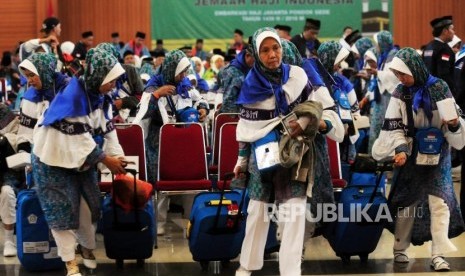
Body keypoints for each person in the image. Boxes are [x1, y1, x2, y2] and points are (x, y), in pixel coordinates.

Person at [234, 27, 341, 276]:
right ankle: (247, 267)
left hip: (295, 153)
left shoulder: (299, 76)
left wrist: (305, 123)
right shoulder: (250, 85)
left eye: (276, 48)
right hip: (262, 155)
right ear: (256, 54)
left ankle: (291, 271)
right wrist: (241, 159)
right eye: (265, 50)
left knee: (294, 212)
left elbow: (318, 108)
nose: (273, 55)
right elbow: (247, 128)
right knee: (257, 211)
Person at [32, 48, 127, 276]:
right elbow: (79, 141)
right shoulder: (73, 98)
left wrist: (120, 159)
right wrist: (106, 160)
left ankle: (87, 247)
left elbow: (108, 130)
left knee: (88, 207)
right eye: (111, 80)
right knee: (62, 211)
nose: (114, 84)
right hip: (52, 161)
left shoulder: (100, 96)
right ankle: (70, 262)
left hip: (81, 162)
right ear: (98, 77)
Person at [372, 47, 465, 272]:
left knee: (440, 203)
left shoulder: (440, 88)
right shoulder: (400, 92)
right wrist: (400, 149)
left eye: (403, 74)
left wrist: (453, 125)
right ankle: (400, 249)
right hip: (410, 155)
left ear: (415, 68)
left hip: (437, 155)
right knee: (407, 202)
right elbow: (393, 125)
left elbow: (456, 121)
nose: (400, 78)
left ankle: (438, 254)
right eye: (397, 74)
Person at [133, 50, 208, 235]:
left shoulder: (185, 85)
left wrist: (202, 109)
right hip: (158, 140)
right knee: (161, 177)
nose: (183, 76)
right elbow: (143, 113)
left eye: (184, 71)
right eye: (180, 72)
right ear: (170, 69)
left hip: (183, 139)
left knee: (189, 175)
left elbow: (201, 100)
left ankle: (191, 218)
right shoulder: (153, 86)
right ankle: (159, 222)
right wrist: (157, 95)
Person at [16, 53, 69, 153]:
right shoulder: (30, 97)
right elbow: (25, 133)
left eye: (32, 75)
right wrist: (23, 152)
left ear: (44, 72)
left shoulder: (67, 91)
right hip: (38, 153)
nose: (30, 81)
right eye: (27, 76)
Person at [0, 103, 22, 257]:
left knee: (7, 192)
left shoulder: (4, 112)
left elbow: (16, 137)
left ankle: (9, 240)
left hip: (7, 168)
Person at [422, 15, 456, 97]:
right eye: (452, 29)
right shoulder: (444, 49)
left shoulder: (428, 47)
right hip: (440, 94)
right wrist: (453, 92)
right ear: (445, 31)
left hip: (426, 91)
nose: (454, 32)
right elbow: (444, 74)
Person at [218, 46, 254, 114]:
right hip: (235, 115)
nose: (257, 63)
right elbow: (229, 103)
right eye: (255, 60)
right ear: (247, 56)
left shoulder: (248, 67)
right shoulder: (234, 72)